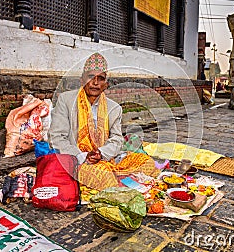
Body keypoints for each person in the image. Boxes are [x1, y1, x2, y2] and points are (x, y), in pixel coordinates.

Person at [49, 52, 159, 191]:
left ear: (105, 84)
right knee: (104, 177)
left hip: (106, 158)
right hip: (78, 159)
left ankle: (118, 179)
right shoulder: (66, 100)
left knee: (148, 163)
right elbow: (56, 137)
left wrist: (101, 153)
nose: (95, 83)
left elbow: (117, 139)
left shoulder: (114, 108)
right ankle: (120, 181)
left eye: (100, 78)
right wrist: (82, 156)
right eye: (91, 77)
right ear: (81, 80)